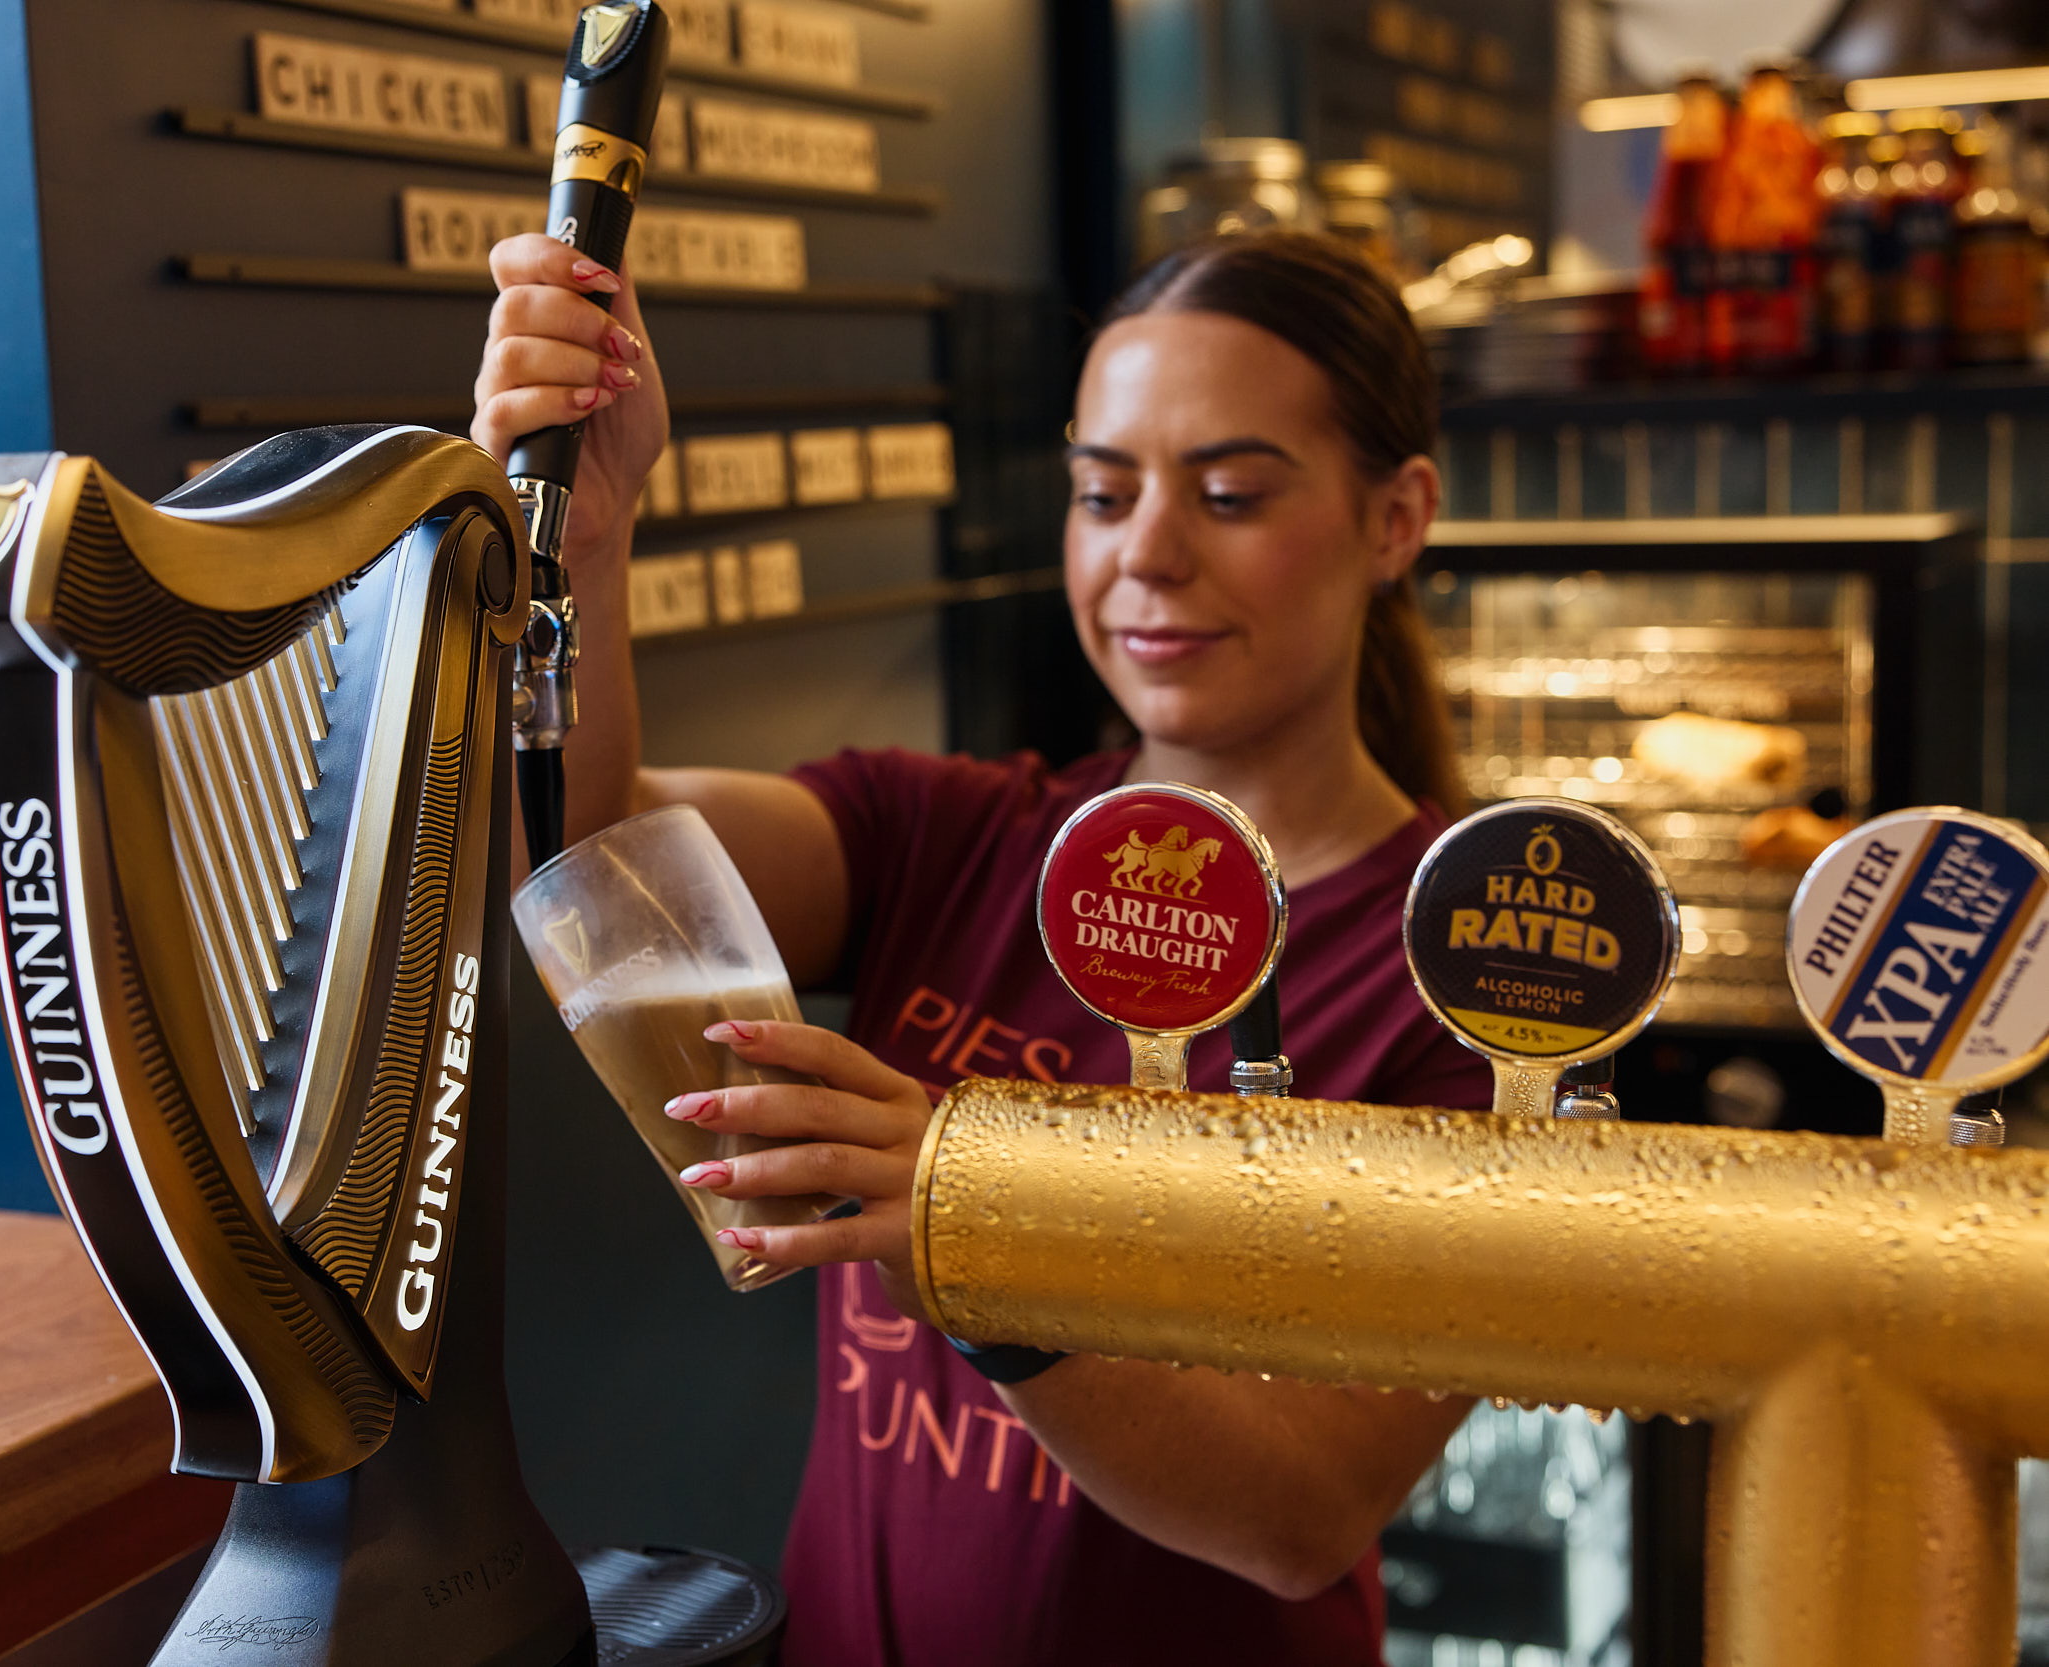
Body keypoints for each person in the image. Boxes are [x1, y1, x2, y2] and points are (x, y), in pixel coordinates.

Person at [472, 228, 1495, 1665]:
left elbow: (1299, 1513)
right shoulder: (951, 837)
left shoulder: (1452, 1005)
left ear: (1398, 520)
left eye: (1231, 492)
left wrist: (975, 1236)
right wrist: (586, 539)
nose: (1147, 551)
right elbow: (587, 859)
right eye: (1102, 491)